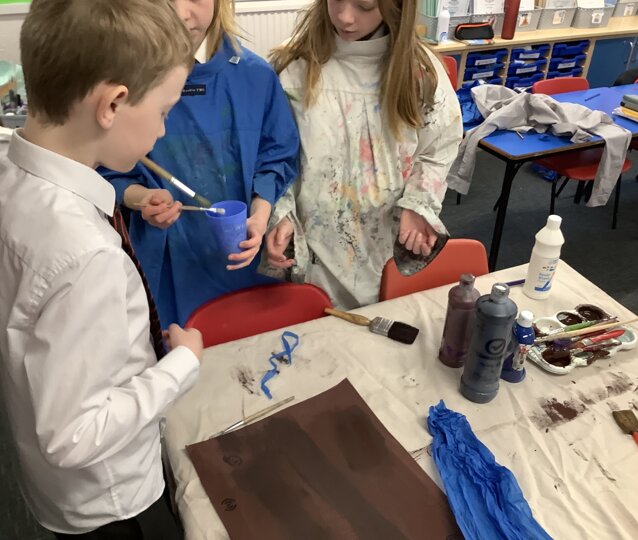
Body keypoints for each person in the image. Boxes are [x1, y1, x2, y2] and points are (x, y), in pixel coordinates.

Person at [0, 1, 204, 538]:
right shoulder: (87, 254)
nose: (163, 131)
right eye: (163, 111)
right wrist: (181, 365)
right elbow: (73, 435)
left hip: (50, 477)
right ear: (113, 104)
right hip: (112, 498)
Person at [104, 0, 300, 327]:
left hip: (247, 266)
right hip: (169, 271)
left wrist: (261, 212)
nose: (180, 13)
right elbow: (108, 169)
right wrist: (141, 198)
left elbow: (277, 156)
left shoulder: (255, 77)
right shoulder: (126, 81)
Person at [265, 0, 463, 309]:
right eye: (335, 0)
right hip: (316, 246)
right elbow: (273, 154)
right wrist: (280, 213)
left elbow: (438, 149)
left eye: (365, 6)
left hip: (382, 241)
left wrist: (419, 203)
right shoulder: (294, 67)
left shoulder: (421, 73)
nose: (345, 17)